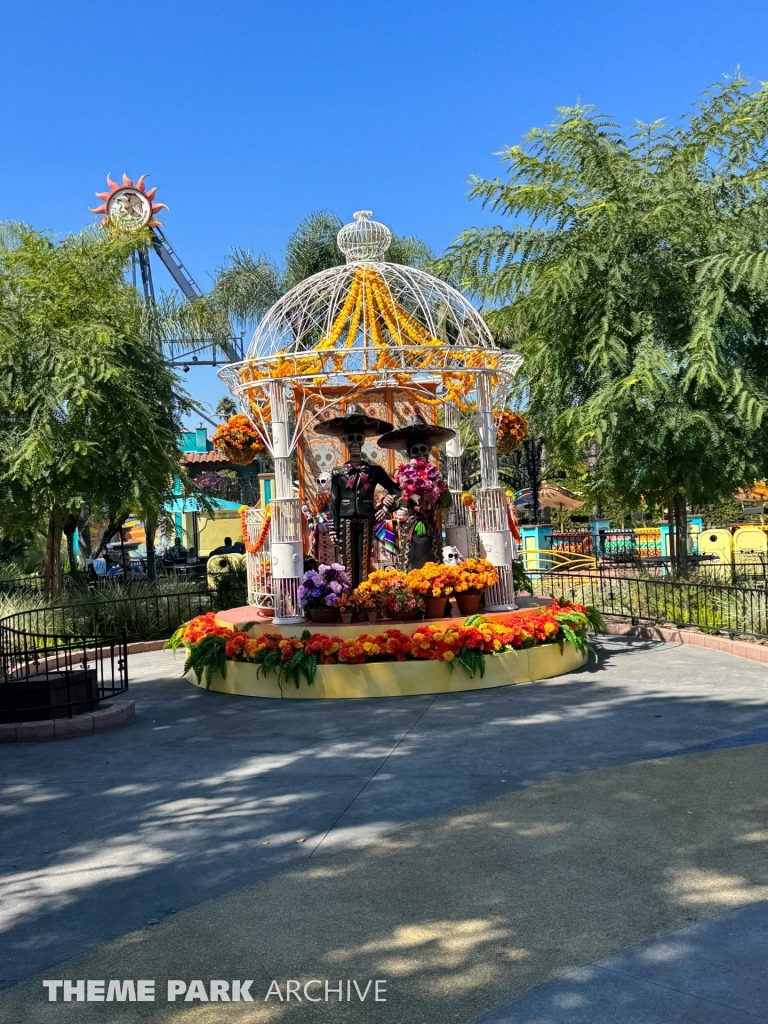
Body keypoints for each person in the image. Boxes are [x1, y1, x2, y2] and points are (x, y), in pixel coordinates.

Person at [316, 407, 401, 589]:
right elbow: (334, 503)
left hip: (366, 519)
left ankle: (362, 593)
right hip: (345, 521)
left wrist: (386, 507)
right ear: (345, 442)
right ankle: (349, 594)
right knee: (348, 559)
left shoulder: (374, 471)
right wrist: (333, 528)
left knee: (364, 558)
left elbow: (396, 490)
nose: (355, 443)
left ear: (363, 442)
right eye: (350, 438)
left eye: (358, 438)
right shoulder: (338, 473)